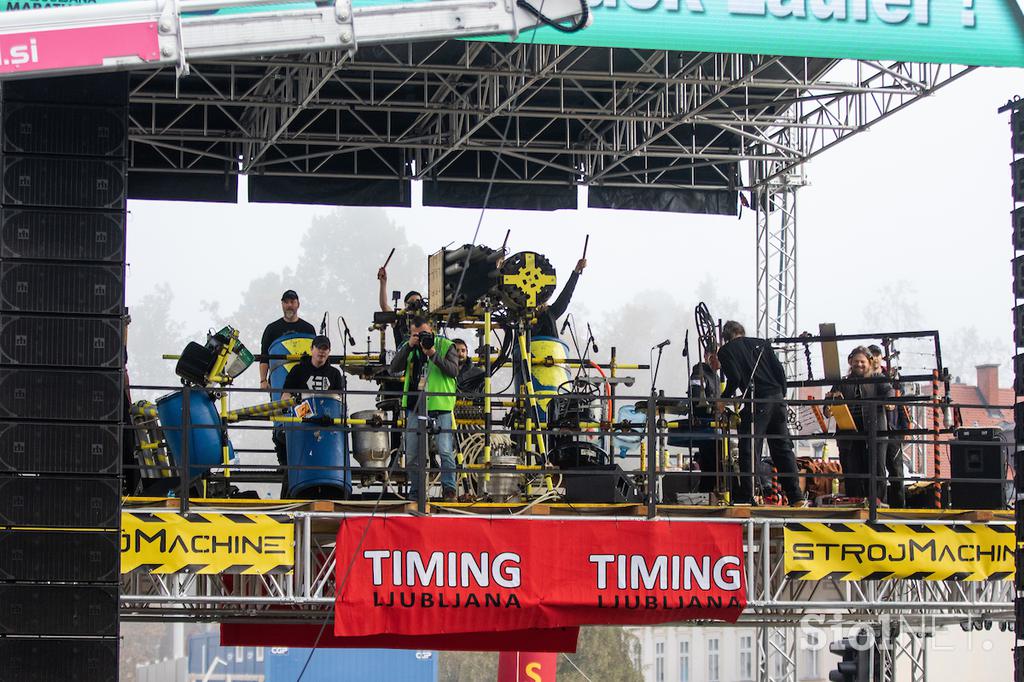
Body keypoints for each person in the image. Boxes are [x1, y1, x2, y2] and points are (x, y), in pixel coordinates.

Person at [716, 320, 807, 507]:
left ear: (725, 337)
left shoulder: (726, 351)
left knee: (749, 448)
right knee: (782, 448)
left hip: (757, 400)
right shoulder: (762, 343)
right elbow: (780, 372)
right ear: (742, 331)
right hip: (777, 398)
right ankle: (796, 496)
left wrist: (723, 398)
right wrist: (781, 396)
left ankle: (750, 495)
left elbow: (735, 378)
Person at [389, 317, 460, 501]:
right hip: (415, 405)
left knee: (444, 450)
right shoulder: (409, 347)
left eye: (425, 334)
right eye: (417, 335)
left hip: (440, 404)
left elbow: (453, 371)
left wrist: (433, 353)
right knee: (412, 452)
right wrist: (408, 346)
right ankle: (416, 492)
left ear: (433, 331)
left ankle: (449, 490)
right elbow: (393, 368)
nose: (421, 338)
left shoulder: (445, 345)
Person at [827, 346, 893, 501]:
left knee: (877, 471)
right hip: (849, 437)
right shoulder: (842, 383)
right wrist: (829, 407)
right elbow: (828, 405)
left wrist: (890, 402)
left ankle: (877, 506)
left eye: (862, 361)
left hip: (874, 434)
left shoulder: (879, 380)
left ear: (869, 362)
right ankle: (855, 503)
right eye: (856, 361)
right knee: (851, 473)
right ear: (851, 362)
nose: (859, 364)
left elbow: (889, 392)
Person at [868, 345, 906, 507]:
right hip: (875, 428)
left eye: (877, 355)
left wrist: (904, 428)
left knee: (896, 469)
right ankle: (880, 503)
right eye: (872, 355)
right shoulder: (867, 378)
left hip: (892, 428)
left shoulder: (892, 377)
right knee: (878, 469)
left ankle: (900, 506)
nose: (875, 358)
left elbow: (901, 404)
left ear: (881, 357)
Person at [259, 290, 316, 391]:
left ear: (298, 304)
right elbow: (264, 356)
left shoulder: (308, 328)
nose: (289, 305)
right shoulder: (271, 329)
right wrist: (263, 380)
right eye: (286, 302)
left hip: (304, 381)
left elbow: (315, 355)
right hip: (279, 380)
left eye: (292, 302)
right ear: (282, 305)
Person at [687, 348, 722, 494]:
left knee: (712, 465)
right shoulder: (699, 372)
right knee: (712, 464)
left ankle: (706, 493)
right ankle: (706, 493)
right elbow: (696, 398)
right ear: (707, 356)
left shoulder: (715, 376)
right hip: (706, 425)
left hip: (713, 426)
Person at [529, 258, 586, 339]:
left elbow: (565, 296)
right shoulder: (520, 316)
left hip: (552, 350)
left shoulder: (549, 314)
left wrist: (576, 272)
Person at [281, 335, 342, 402]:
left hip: (327, 411)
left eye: (325, 349)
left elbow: (340, 399)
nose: (322, 351)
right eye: (319, 348)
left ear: (329, 351)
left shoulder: (335, 373)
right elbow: (286, 394)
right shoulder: (297, 370)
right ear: (311, 349)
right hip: (302, 410)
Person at [377, 265, 424, 347]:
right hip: (403, 358)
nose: (414, 306)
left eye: (417, 302)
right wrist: (383, 283)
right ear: (405, 304)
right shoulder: (399, 318)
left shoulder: (426, 319)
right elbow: (384, 306)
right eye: (411, 303)